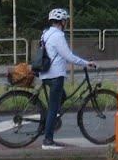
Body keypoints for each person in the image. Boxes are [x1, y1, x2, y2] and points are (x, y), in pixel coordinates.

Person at [39, 8, 97, 149]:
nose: (66, 23)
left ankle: (48, 123)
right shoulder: (58, 36)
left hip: (45, 74)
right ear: (61, 22)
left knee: (61, 97)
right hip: (55, 76)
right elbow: (69, 56)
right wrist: (86, 63)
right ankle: (48, 140)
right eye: (66, 20)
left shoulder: (46, 33)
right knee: (53, 108)